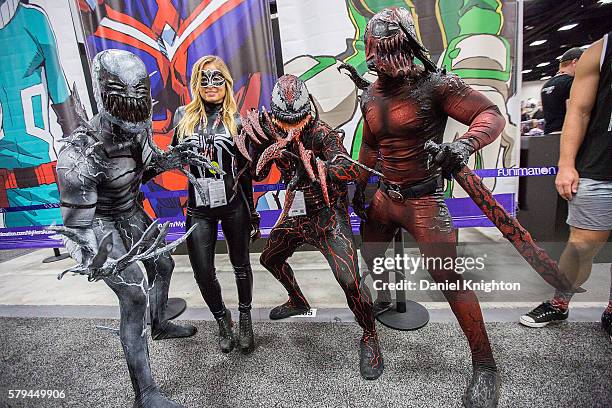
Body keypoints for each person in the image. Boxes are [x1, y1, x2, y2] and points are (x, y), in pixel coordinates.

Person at [344, 7, 505, 407]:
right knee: (372, 255)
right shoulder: (369, 93)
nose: (378, 59)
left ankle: (485, 365)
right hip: (384, 197)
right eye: (375, 50)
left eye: (387, 50)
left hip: (424, 198)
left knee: (448, 277)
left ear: (405, 47)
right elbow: (369, 147)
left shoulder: (436, 86)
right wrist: (358, 186)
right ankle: (383, 302)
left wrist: (465, 144)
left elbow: (490, 114)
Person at [55, 49, 203, 408]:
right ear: (104, 94)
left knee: (164, 264)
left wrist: (176, 157)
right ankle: (145, 392)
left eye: (140, 102)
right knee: (134, 292)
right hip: (101, 222)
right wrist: (93, 257)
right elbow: (78, 226)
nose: (134, 113)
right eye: (125, 102)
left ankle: (160, 324)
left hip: (130, 209)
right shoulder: (80, 155)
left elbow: (144, 166)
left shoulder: (138, 129)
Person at [239, 74, 384, 380]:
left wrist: (321, 169)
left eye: (297, 120)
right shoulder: (269, 129)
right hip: (296, 214)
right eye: (284, 121)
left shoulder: (321, 132)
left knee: (350, 280)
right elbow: (254, 171)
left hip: (328, 215)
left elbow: (346, 165)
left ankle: (370, 334)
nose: (291, 127)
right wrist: (256, 149)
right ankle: (297, 300)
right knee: (270, 258)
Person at [520, 34, 612, 343]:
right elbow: (579, 110)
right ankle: (559, 302)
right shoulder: (600, 51)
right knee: (582, 244)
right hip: (600, 166)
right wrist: (567, 163)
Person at [174, 56, 260, 354]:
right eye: (204, 79)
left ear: (226, 83)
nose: (211, 85)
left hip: (234, 204)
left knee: (241, 266)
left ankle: (245, 318)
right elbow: (174, 160)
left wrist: (254, 212)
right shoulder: (182, 116)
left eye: (217, 79)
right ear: (196, 83)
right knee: (202, 271)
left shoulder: (238, 121)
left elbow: (246, 172)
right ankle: (223, 320)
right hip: (199, 208)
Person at [540, 47, 584, 133]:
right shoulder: (571, 83)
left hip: (548, 134)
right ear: (575, 62)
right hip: (565, 134)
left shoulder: (546, 85)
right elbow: (573, 115)